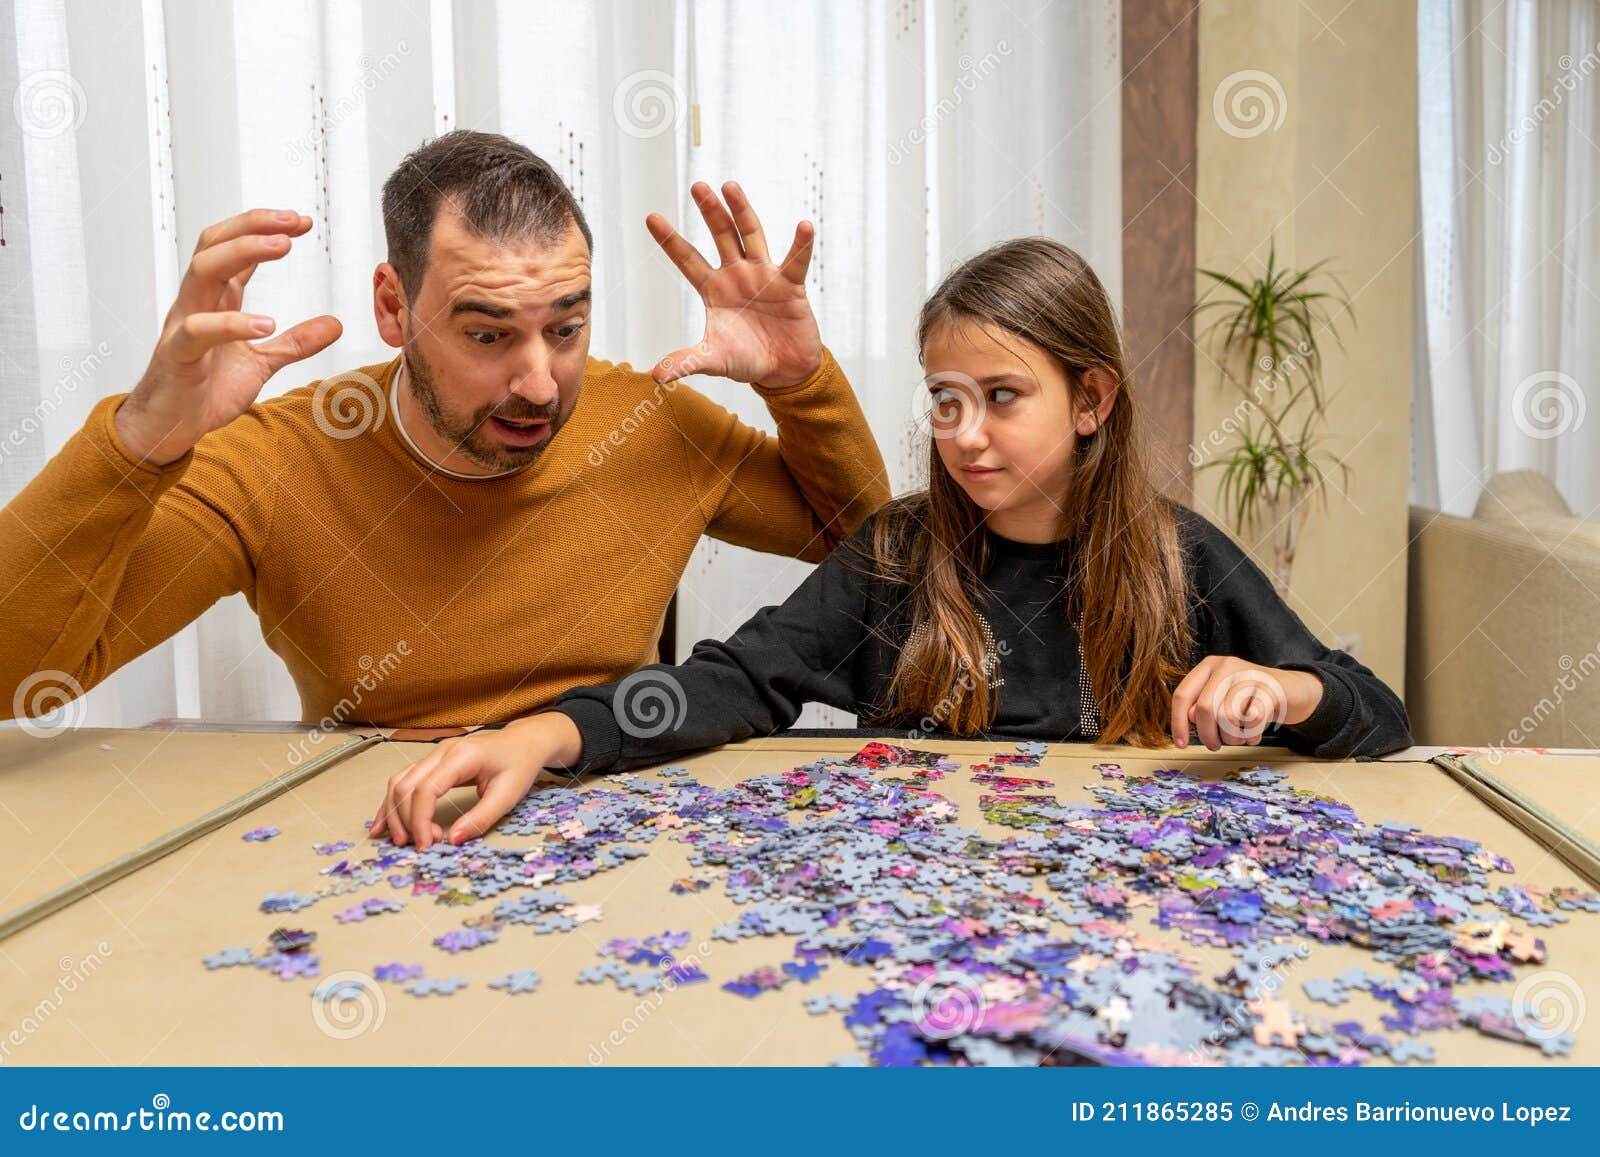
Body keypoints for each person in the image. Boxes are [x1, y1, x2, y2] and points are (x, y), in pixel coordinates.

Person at [370, 237, 1412, 851]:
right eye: (944, 400)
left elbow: (1377, 716)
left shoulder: (1181, 556)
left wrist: (1285, 692)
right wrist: (544, 734)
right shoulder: (899, 554)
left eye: (1001, 397)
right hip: (917, 929)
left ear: (1091, 398)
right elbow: (734, 681)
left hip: (1128, 920)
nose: (961, 433)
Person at [0, 130, 887, 729]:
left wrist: (801, 381)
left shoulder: (652, 424)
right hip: (377, 851)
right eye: (488, 334)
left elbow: (882, 564)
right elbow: (21, 673)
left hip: (612, 825)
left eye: (567, 328)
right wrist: (136, 446)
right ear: (394, 306)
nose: (539, 382)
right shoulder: (274, 463)